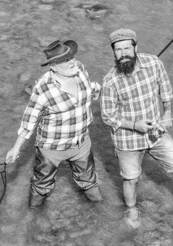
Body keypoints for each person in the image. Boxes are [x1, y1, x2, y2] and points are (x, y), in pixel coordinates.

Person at [100, 28, 173, 228]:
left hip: (157, 133)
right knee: (131, 180)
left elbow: (166, 90)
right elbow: (108, 116)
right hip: (128, 140)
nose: (123, 53)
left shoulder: (153, 63)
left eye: (127, 48)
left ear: (136, 48)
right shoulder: (110, 81)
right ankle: (132, 209)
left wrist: (167, 113)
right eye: (118, 50)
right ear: (113, 52)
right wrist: (135, 125)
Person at [6, 39, 103, 208]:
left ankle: (100, 209)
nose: (72, 61)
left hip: (81, 143)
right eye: (65, 60)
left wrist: (98, 89)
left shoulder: (79, 68)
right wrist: (16, 148)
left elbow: (89, 88)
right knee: (42, 185)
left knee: (89, 181)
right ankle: (33, 215)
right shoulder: (43, 89)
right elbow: (29, 120)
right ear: (53, 66)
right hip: (51, 149)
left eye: (71, 56)